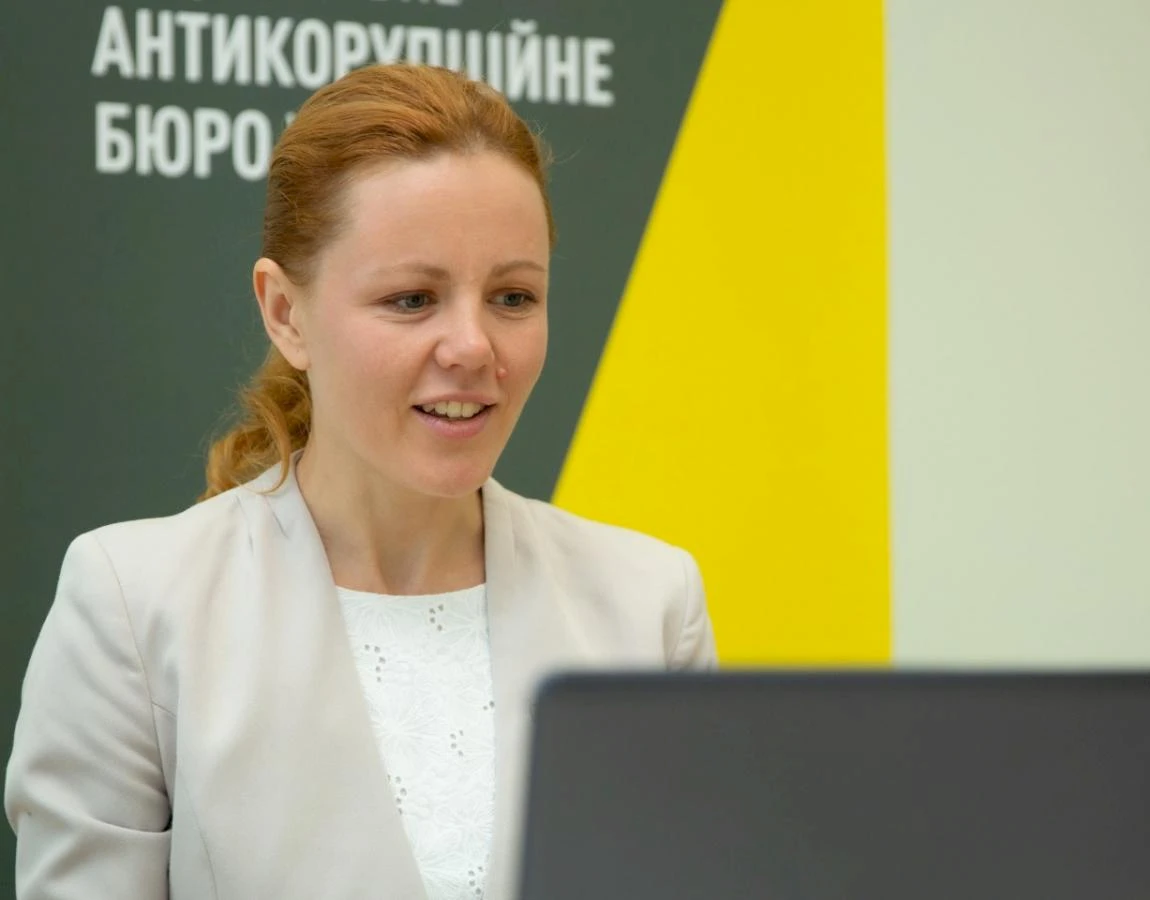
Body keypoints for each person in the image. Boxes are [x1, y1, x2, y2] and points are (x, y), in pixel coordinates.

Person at [3, 63, 717, 900]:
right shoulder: (134, 607)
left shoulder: (648, 606)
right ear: (285, 312)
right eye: (412, 299)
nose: (473, 347)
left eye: (513, 297)